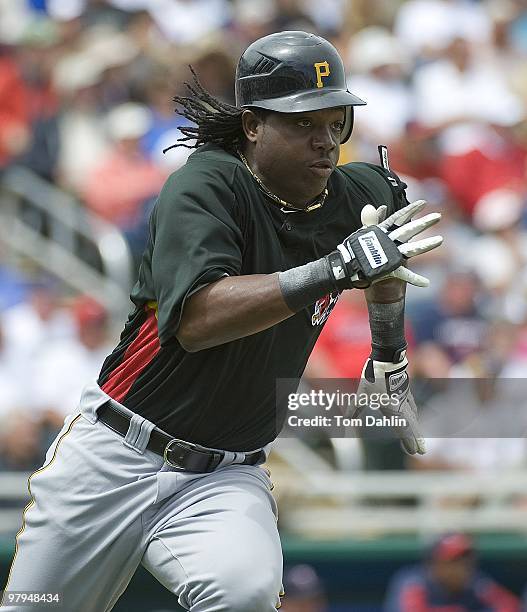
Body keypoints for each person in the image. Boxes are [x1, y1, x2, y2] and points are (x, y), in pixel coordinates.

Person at [2, 31, 441, 612]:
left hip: (225, 477)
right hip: (115, 455)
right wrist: (338, 267)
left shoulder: (354, 191)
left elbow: (387, 243)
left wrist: (387, 352)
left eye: (335, 122)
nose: (325, 141)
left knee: (245, 595)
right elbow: (199, 319)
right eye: (303, 122)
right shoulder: (206, 184)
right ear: (253, 124)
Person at [384, 533, 521, 612]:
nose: (461, 568)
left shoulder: (475, 582)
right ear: (434, 563)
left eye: (466, 561)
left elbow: (511, 607)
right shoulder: (414, 581)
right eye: (453, 561)